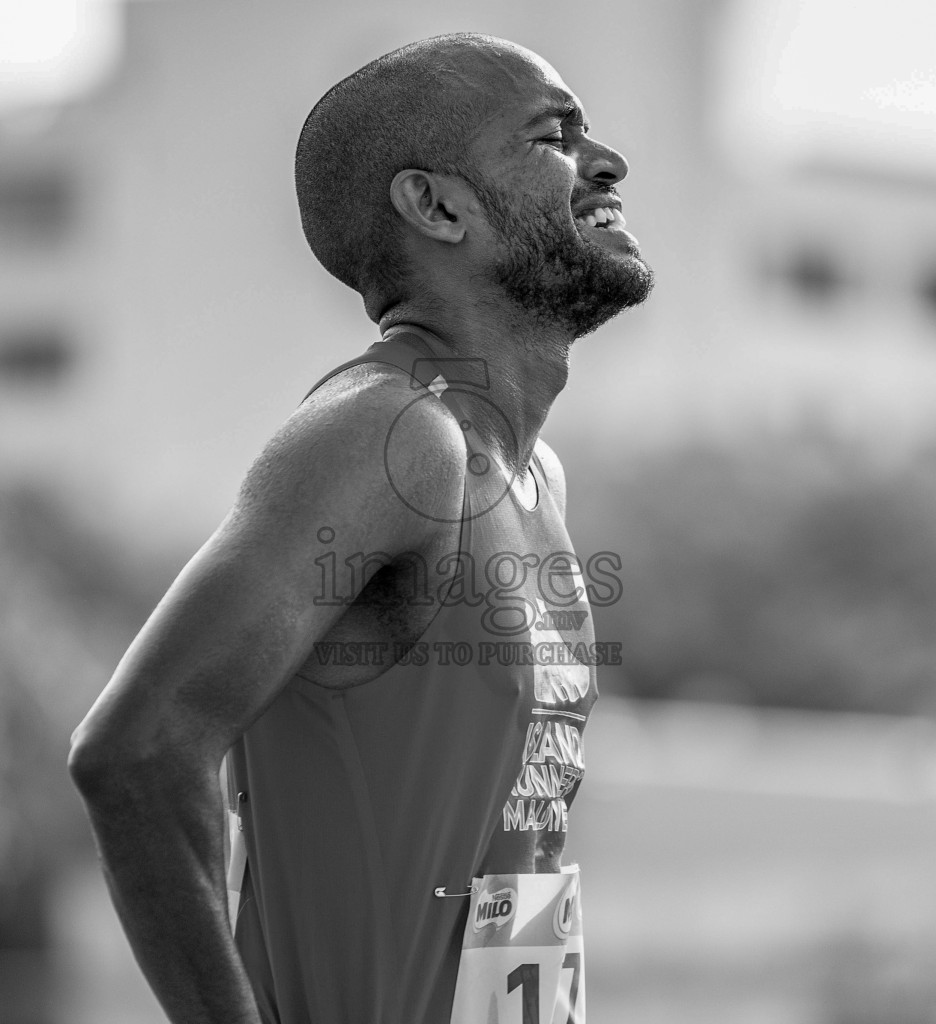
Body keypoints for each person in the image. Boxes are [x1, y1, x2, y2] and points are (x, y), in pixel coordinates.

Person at [68, 32, 653, 1024]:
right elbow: (136, 749)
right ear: (436, 205)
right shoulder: (391, 434)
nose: (606, 162)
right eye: (554, 136)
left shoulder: (526, 472)